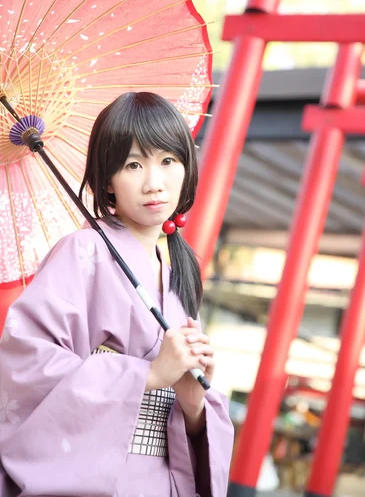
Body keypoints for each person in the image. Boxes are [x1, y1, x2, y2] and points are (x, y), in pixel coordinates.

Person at [0, 92, 234, 497]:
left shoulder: (180, 270)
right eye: (133, 164)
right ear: (107, 178)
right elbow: (26, 361)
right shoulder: (83, 251)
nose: (153, 183)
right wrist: (148, 375)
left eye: (167, 161)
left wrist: (194, 404)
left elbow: (188, 417)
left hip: (166, 481)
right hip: (100, 478)